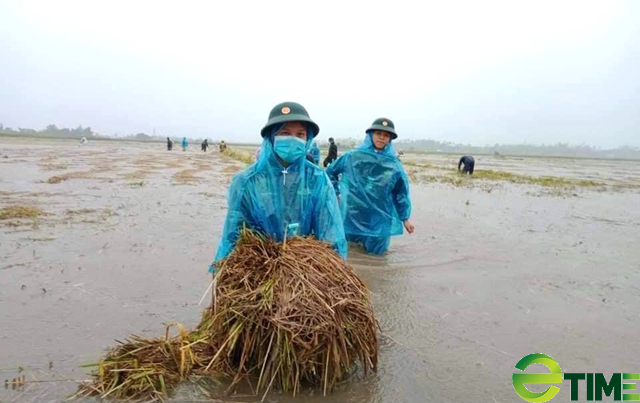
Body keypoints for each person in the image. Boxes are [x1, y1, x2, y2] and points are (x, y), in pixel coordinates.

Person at [213, 102, 347, 264]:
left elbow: (329, 231)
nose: (292, 139)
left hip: (302, 264)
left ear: (307, 139)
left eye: (300, 135)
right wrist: (225, 267)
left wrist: (332, 267)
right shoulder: (247, 181)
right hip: (258, 262)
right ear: (271, 136)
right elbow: (233, 234)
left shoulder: (317, 178)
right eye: (285, 132)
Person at [326, 118, 414, 255]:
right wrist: (336, 194)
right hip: (353, 212)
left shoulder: (393, 164)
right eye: (378, 133)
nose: (381, 138)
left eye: (386, 135)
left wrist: (405, 218)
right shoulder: (352, 156)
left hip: (380, 215)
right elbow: (330, 173)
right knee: (349, 252)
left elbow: (400, 192)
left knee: (378, 255)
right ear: (371, 135)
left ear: (390, 139)